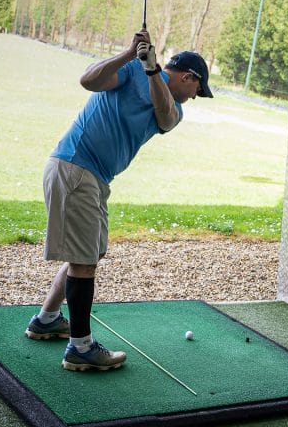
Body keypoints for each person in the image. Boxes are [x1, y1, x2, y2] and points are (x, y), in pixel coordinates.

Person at [25, 30, 213, 371]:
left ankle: (47, 319)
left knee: (88, 254)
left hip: (93, 178)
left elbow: (166, 117)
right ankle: (80, 348)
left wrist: (153, 69)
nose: (196, 97)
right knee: (83, 262)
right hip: (75, 167)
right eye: (198, 90)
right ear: (189, 77)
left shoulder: (171, 104)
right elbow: (88, 80)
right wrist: (130, 54)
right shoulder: (129, 71)